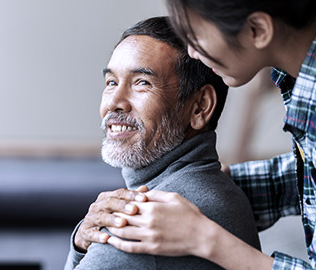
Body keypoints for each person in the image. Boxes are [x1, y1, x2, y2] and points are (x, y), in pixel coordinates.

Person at [76, 1, 316, 269]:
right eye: (111, 82)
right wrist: (213, 189)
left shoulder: (129, 237)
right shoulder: (297, 81)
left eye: (197, 35)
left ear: (257, 29)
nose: (193, 51)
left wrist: (206, 237)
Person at [64, 16, 260, 270]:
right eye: (111, 82)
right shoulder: (217, 190)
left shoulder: (145, 224)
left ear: (200, 107)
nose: (114, 102)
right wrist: (81, 245)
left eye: (142, 83)